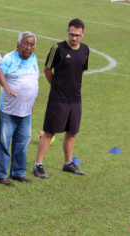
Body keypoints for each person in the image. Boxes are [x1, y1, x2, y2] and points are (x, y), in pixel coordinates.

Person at [33, 18, 89, 179]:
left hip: (75, 99)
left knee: (72, 132)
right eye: (72, 34)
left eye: (78, 35)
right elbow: (47, 69)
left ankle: (68, 163)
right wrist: (56, 86)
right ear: (67, 32)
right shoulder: (58, 48)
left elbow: (81, 70)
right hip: (58, 98)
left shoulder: (85, 50)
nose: (74, 38)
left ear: (83, 34)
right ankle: (38, 165)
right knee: (49, 132)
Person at [0, 32, 39, 186]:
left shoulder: (33, 59)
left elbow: (33, 81)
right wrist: (6, 87)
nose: (28, 47)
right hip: (8, 110)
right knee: (4, 143)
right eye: (25, 43)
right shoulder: (10, 58)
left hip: (26, 111)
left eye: (32, 44)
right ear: (18, 44)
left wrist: (30, 103)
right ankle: (1, 175)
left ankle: (18, 173)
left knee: (22, 143)